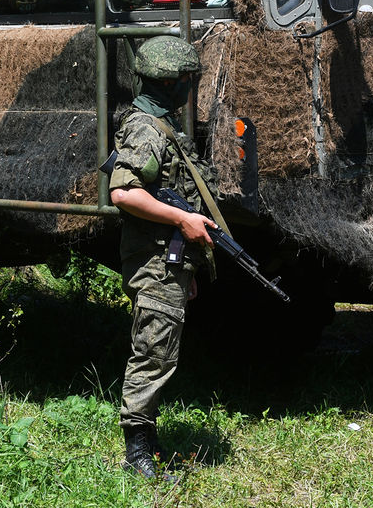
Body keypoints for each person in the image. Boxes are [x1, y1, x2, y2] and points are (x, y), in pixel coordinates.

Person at [108, 34, 219, 479]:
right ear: (169, 81)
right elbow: (122, 192)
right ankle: (136, 453)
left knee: (162, 348)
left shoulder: (161, 123)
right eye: (187, 78)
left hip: (166, 259)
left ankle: (147, 443)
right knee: (153, 352)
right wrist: (182, 220)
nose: (191, 86)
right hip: (153, 257)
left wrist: (185, 263)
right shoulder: (146, 129)